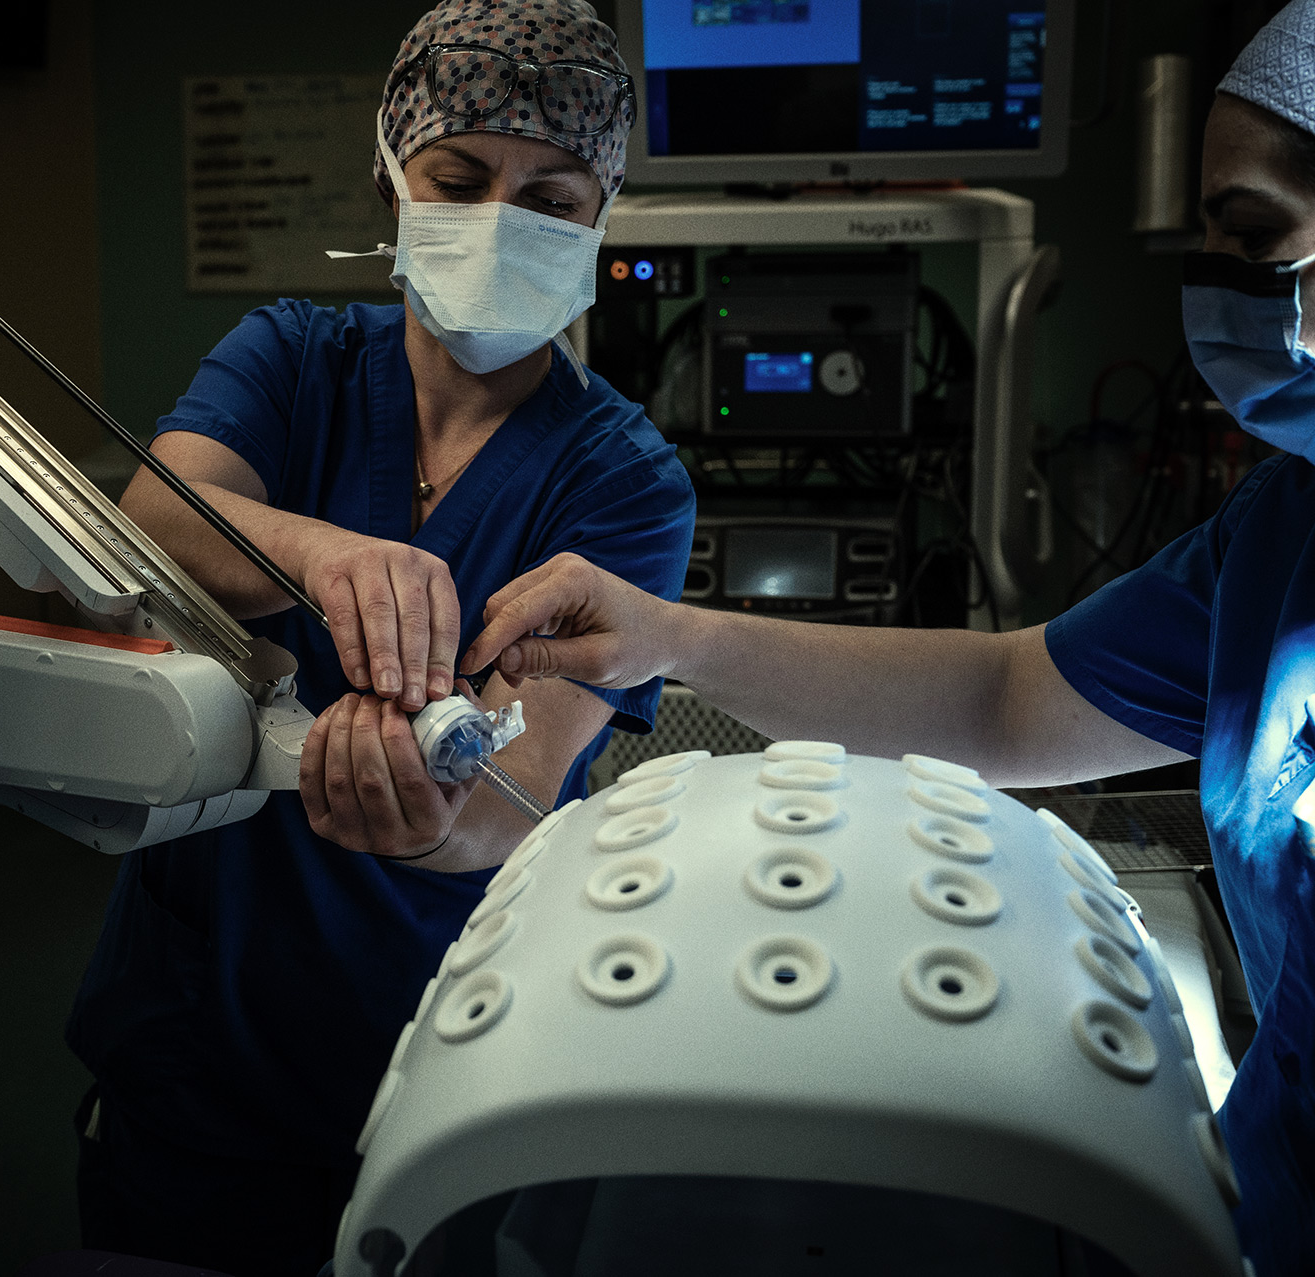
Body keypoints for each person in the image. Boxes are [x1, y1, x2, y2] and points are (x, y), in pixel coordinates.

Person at [458, 5, 1315, 1273]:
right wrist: (669, 636)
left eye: (1248, 235)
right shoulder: (1283, 529)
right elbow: (1008, 701)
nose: (1212, 282)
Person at [66, 3, 692, 1274]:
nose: (504, 221)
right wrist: (319, 551)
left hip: (439, 1053)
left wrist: (427, 819)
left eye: (554, 199)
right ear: (393, 180)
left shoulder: (623, 480)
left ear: (603, 218)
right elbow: (144, 530)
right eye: (461, 180)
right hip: (197, 1049)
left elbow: (510, 799)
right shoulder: (292, 357)